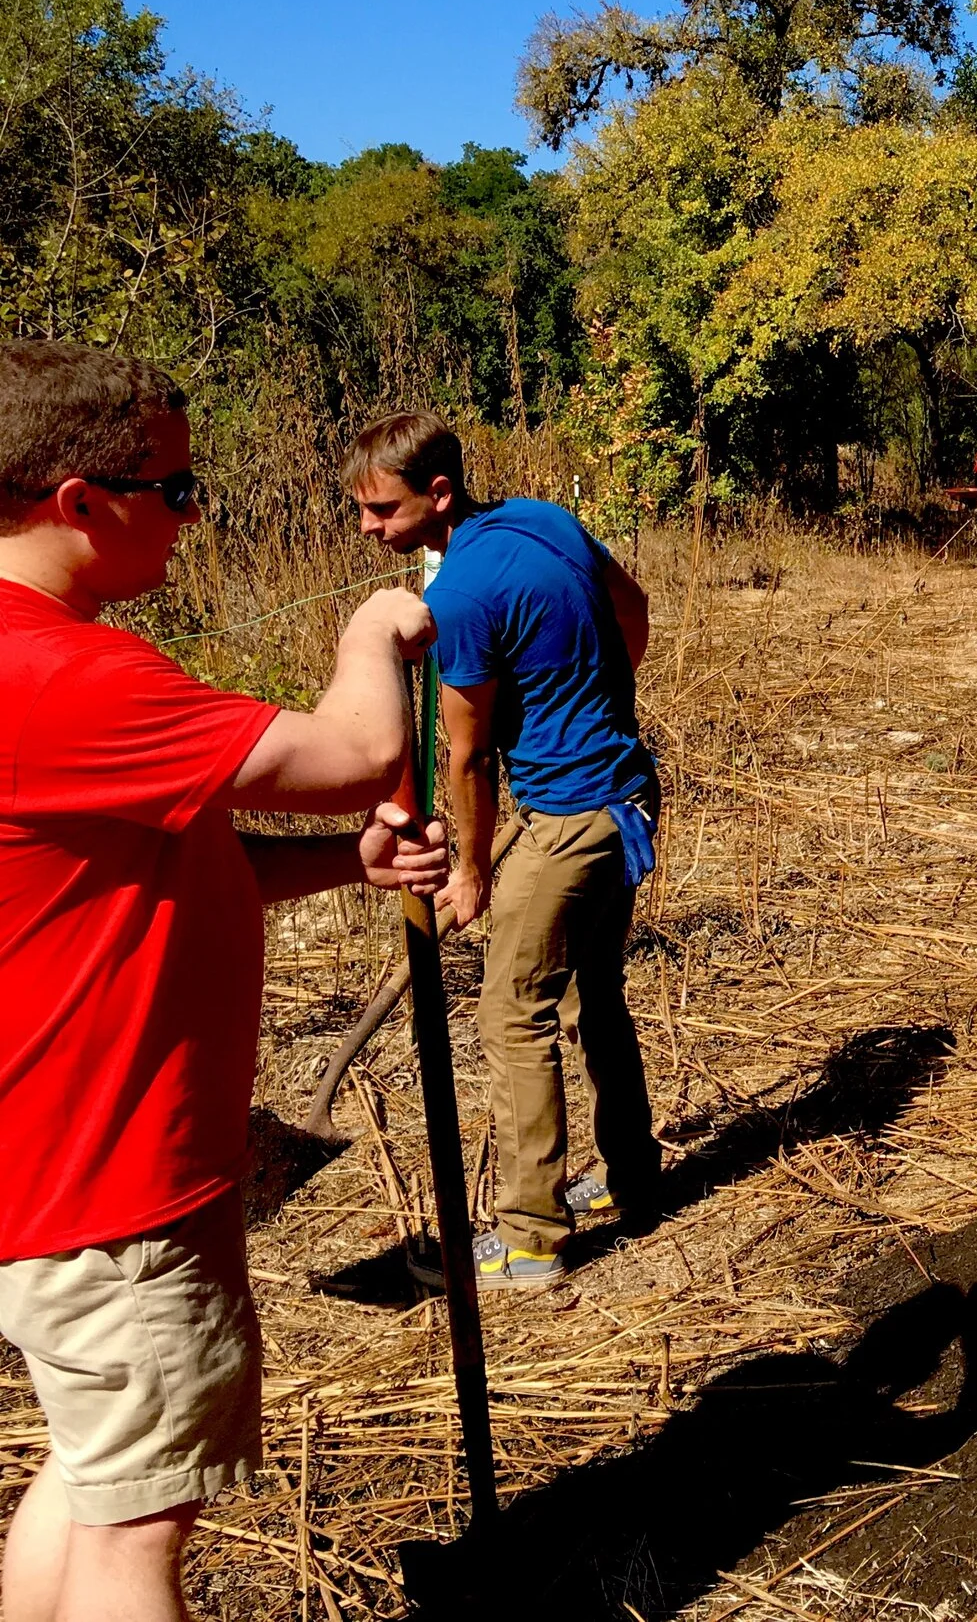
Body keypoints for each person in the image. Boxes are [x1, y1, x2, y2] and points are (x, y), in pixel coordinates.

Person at [0, 340, 448, 1622]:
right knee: (142, 1533)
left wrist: (344, 868)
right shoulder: (63, 675)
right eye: (181, 490)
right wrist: (372, 626)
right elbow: (362, 749)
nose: (197, 516)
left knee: (96, 1482)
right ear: (81, 502)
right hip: (114, 1180)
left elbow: (156, 880)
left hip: (51, 1170)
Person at [348, 414, 663, 1286]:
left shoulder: (458, 598)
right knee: (590, 996)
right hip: (627, 796)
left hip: (568, 824)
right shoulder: (543, 516)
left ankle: (530, 1235)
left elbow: (467, 753)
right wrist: (601, 704)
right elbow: (631, 606)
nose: (369, 528)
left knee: (511, 1013)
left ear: (437, 495)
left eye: (381, 509)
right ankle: (631, 1175)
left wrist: (473, 867)